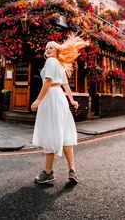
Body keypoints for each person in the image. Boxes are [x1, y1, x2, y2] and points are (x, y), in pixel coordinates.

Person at [31, 34, 89, 184]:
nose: (48, 49)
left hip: (50, 97)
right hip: (60, 98)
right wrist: (72, 100)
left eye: (51, 47)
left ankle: (48, 172)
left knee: (51, 132)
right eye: (46, 48)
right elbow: (66, 86)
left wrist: (38, 100)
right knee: (64, 133)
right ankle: (72, 171)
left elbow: (49, 81)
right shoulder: (59, 64)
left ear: (57, 50)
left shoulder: (51, 61)